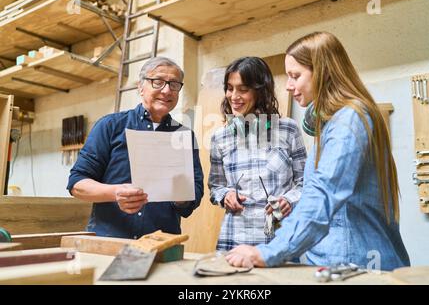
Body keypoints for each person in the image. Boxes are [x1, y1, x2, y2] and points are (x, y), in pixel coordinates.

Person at [226, 32, 410, 271]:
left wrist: (268, 252)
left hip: (354, 263)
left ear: (323, 72)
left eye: (295, 76)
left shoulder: (350, 119)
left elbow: (324, 193)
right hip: (331, 260)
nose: (289, 86)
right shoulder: (333, 122)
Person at [67, 57, 204, 239]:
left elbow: (195, 192)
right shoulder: (110, 126)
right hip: (111, 240)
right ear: (141, 87)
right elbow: (77, 183)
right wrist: (116, 193)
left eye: (174, 84)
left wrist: (181, 196)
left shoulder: (184, 136)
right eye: (158, 82)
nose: (166, 90)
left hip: (161, 243)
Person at [209, 56, 307, 251]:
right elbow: (215, 186)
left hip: (279, 240)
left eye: (243, 89)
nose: (234, 96)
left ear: (260, 92)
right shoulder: (220, 137)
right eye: (230, 88)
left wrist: (289, 200)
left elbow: (306, 183)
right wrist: (225, 195)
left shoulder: (288, 129)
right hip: (234, 240)